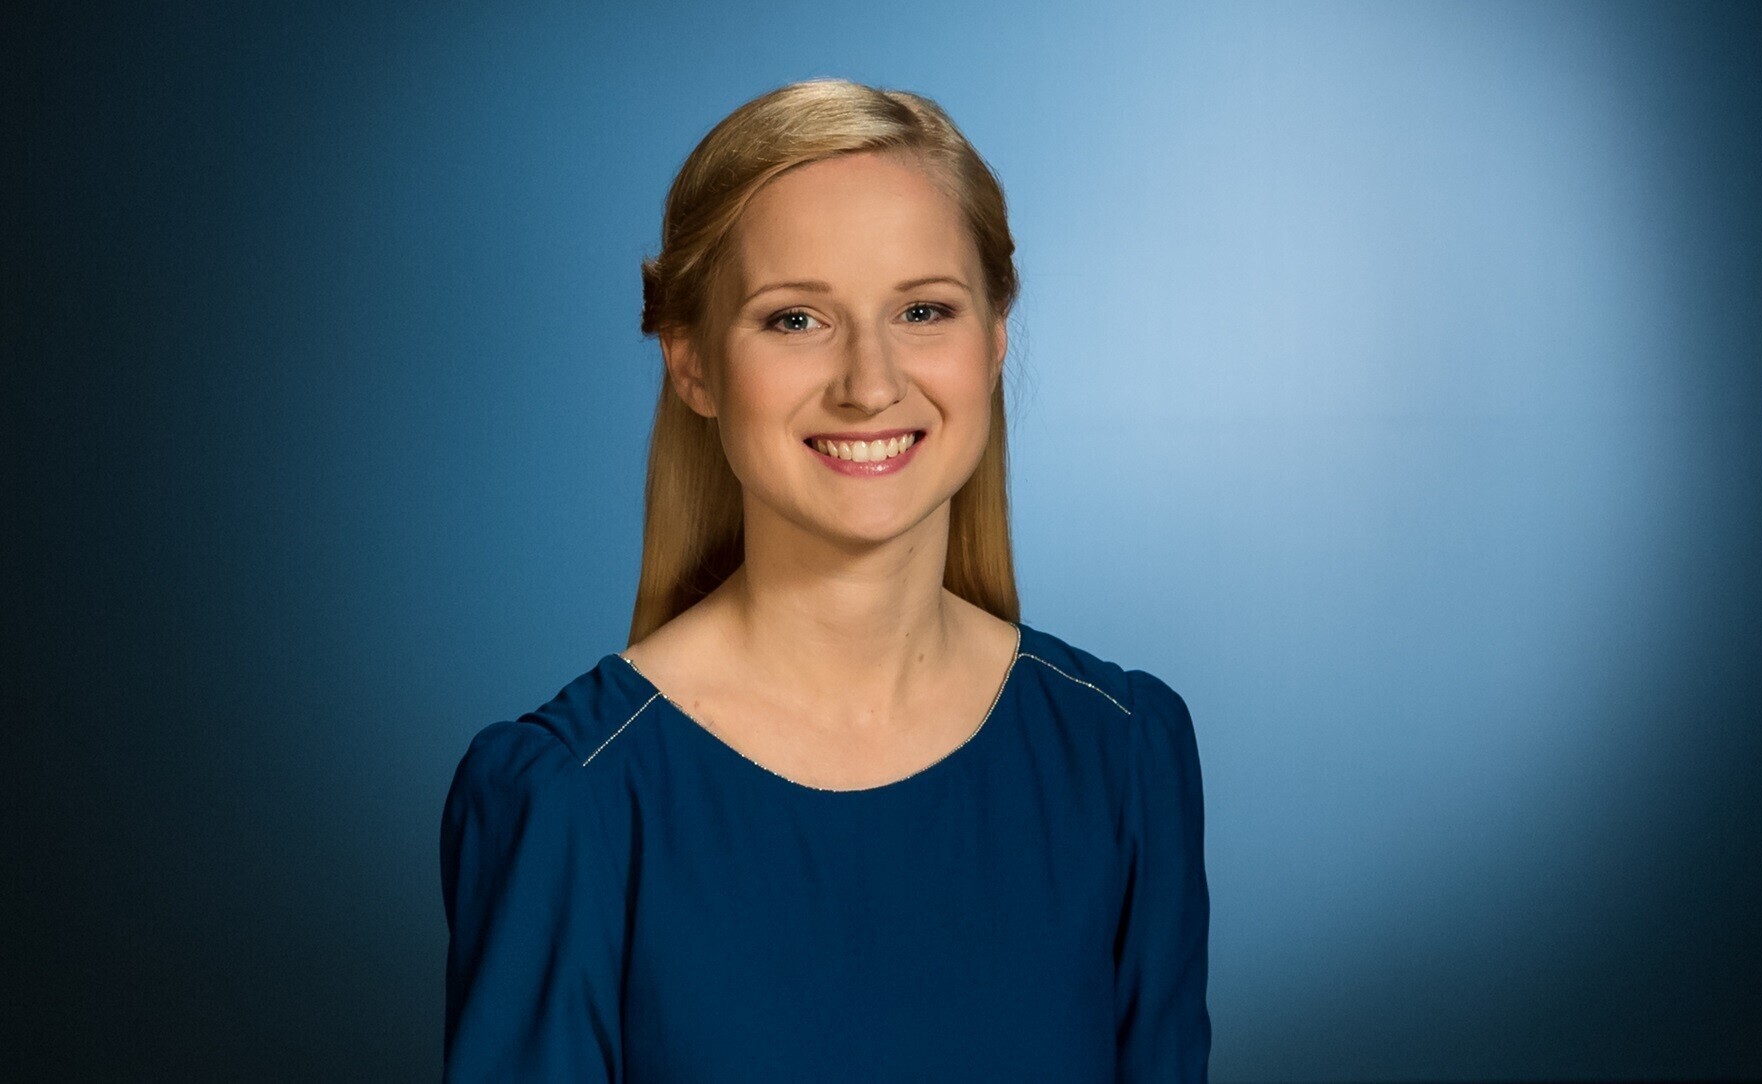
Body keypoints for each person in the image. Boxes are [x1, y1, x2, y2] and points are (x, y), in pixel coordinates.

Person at [439, 77, 1210, 1081]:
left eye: (923, 310)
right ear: (691, 362)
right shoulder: (571, 803)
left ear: (994, 338)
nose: (870, 384)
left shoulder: (1121, 756)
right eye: (797, 319)